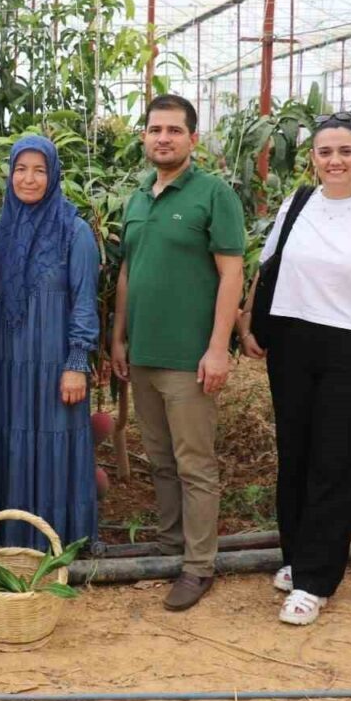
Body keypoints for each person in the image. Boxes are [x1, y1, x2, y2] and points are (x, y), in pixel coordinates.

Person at [237, 112, 351, 626]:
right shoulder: (297, 205)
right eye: (324, 151)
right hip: (292, 343)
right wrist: (248, 322)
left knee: (338, 460)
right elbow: (267, 270)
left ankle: (317, 580)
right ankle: (297, 556)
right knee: (295, 455)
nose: (334, 160)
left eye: (344, 151)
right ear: (312, 158)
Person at [110, 94, 245, 612]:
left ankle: (198, 565)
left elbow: (232, 273)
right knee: (161, 460)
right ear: (144, 137)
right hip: (143, 353)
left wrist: (217, 348)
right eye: (154, 129)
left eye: (173, 129)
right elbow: (127, 272)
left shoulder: (214, 195)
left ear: (192, 139)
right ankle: (170, 544)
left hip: (190, 357)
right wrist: (119, 336)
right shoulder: (139, 197)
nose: (162, 137)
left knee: (195, 464)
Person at [0, 135, 100, 549]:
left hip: (52, 361)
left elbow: (84, 301)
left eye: (39, 170)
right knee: (7, 438)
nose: (29, 179)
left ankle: (56, 542)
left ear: (54, 174)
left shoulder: (73, 232)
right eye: (20, 169)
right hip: (3, 361)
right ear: (10, 175)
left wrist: (76, 361)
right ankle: (8, 539)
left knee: (52, 441)